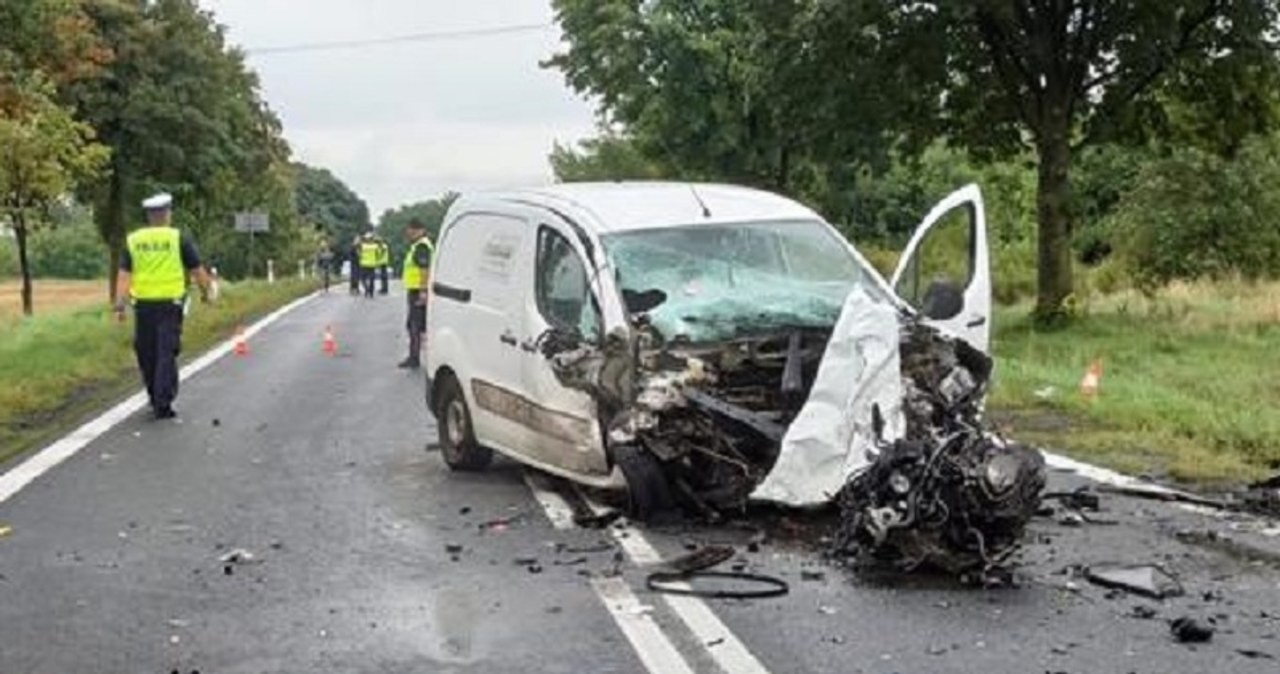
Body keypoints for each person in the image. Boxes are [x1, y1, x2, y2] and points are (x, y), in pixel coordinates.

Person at [113, 193, 213, 420]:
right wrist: (207, 293)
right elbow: (197, 270)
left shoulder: (134, 240)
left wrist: (120, 305)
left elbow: (124, 275)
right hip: (170, 305)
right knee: (166, 351)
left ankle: (155, 395)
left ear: (149, 216)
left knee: (146, 351)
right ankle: (163, 401)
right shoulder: (178, 239)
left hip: (143, 307)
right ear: (167, 214)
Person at [398, 219, 435, 369]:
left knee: (415, 325)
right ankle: (414, 356)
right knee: (415, 325)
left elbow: (424, 270)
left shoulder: (421, 247)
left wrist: (423, 291)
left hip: (418, 291)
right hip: (415, 289)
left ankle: (414, 359)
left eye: (412, 231)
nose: (409, 234)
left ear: (420, 230)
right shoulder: (417, 246)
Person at [357, 232, 381, 298]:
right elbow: (378, 254)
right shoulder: (375, 246)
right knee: (372, 279)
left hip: (364, 264)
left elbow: (359, 254)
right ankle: (371, 293)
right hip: (372, 264)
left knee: (362, 279)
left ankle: (366, 289)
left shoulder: (363, 246)